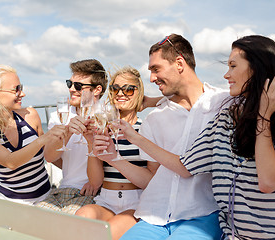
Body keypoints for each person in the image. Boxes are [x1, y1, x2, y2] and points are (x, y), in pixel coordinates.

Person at [100, 35, 275, 239]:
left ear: (179, 63)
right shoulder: (217, 116)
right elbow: (178, 168)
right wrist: (145, 112)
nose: (226, 74)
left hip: (271, 228)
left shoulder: (236, 106)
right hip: (195, 223)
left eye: (233, 66)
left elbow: (268, 180)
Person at [94, 34, 227, 239]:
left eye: (156, 69)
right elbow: (151, 179)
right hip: (154, 215)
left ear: (180, 63)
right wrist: (113, 158)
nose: (152, 78)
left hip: (203, 214)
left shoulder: (222, 104)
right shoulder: (155, 119)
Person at [0, 65, 66, 205]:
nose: (22, 94)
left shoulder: (30, 115)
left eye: (22, 87)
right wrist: (43, 139)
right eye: (16, 89)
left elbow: (49, 156)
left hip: (47, 197)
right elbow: (11, 162)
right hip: (12, 204)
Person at [75, 66, 160, 240]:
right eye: (115, 88)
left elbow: (152, 181)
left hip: (137, 201)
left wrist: (147, 102)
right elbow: (95, 181)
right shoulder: (102, 128)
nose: (121, 93)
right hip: (106, 199)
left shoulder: (147, 129)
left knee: (107, 233)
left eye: (128, 89)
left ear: (139, 92)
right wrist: (91, 142)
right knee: (80, 219)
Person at [35, 59, 107, 214]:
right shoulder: (60, 116)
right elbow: (49, 156)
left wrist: (95, 183)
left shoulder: (107, 117)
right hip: (64, 189)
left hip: (94, 192)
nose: (72, 89)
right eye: (70, 84)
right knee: (33, 218)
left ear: (96, 90)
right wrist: (67, 131)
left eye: (78, 86)